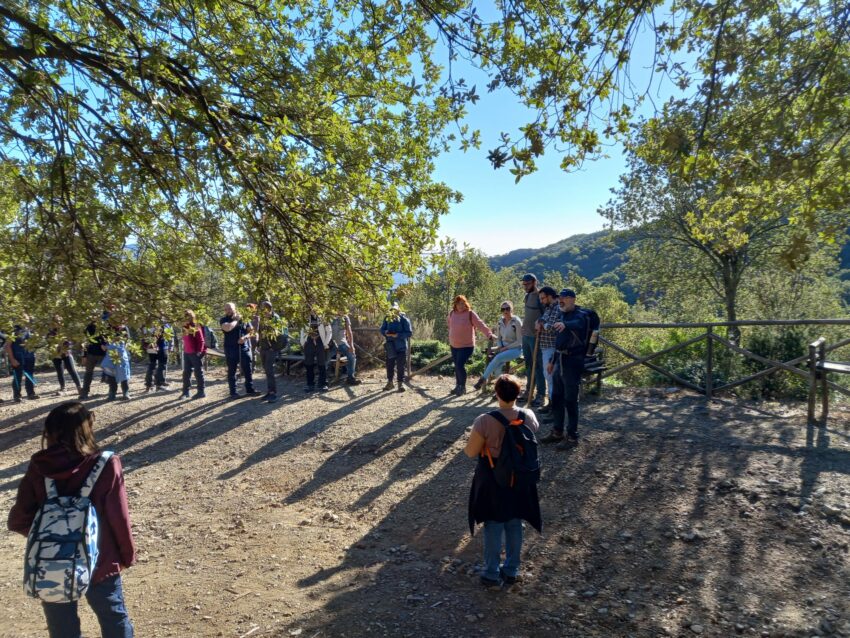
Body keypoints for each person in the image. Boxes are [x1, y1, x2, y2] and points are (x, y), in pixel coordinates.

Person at [8, 401, 136, 637]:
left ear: (49, 432)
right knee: (114, 619)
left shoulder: (39, 465)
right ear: (87, 428)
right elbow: (119, 516)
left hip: (52, 561)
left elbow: (18, 519)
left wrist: (54, 535)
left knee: (62, 627)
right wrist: (127, 555)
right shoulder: (107, 464)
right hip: (101, 559)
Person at [464, 374, 541, 587]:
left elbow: (471, 452)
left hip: (493, 477)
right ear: (518, 393)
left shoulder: (484, 420)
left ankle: (491, 573)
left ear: (496, 393)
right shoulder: (529, 416)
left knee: (494, 523)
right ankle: (511, 569)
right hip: (521, 476)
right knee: (515, 522)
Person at [540, 289, 589, 449]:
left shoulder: (580, 314)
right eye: (560, 298)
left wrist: (565, 324)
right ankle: (557, 432)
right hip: (559, 361)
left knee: (570, 400)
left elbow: (579, 324)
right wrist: (552, 361)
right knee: (557, 397)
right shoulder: (562, 314)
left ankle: (572, 437)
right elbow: (558, 341)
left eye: (564, 298)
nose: (561, 300)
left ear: (573, 299)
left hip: (573, 361)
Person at [447, 295, 494, 396]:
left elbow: (480, 324)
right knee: (457, 366)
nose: (461, 306)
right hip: (454, 345)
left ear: (466, 304)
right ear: (455, 304)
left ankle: (462, 387)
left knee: (460, 365)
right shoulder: (452, 313)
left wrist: (489, 334)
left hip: (466, 346)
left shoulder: (470, 314)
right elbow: (450, 325)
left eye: (463, 303)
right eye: (459, 303)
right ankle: (458, 386)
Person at [473, 301, 523, 390]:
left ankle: (482, 379)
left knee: (497, 358)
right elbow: (499, 338)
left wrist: (506, 348)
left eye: (507, 309)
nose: (505, 311)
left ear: (512, 309)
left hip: (516, 349)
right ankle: (501, 390)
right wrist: (500, 346)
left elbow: (519, 341)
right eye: (503, 309)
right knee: (497, 369)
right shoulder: (500, 322)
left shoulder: (516, 321)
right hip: (503, 348)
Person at [220, 303, 257, 398]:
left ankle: (250, 389)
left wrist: (245, 337)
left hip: (243, 348)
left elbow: (252, 332)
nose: (228, 311)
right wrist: (236, 319)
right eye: (226, 309)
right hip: (230, 349)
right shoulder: (223, 320)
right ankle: (233, 392)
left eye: (230, 308)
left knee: (248, 369)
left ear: (235, 309)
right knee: (232, 371)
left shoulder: (244, 319)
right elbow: (228, 328)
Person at [519, 273, 545, 407]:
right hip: (526, 336)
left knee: (539, 366)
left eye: (527, 284)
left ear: (535, 282)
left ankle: (541, 395)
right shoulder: (527, 296)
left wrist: (541, 323)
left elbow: (546, 314)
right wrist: (524, 325)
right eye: (523, 284)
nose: (525, 286)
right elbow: (528, 314)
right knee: (529, 365)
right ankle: (529, 391)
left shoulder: (541, 296)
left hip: (537, 337)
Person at [536, 286, 560, 412]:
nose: (541, 301)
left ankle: (553, 405)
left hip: (552, 346)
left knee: (550, 376)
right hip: (545, 347)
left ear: (550, 296)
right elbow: (542, 320)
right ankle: (551, 403)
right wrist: (540, 321)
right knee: (548, 375)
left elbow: (550, 327)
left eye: (543, 298)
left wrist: (541, 324)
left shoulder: (556, 308)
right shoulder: (548, 308)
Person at [380, 302, 412, 392]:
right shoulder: (387, 318)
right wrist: (385, 332)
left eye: (395, 310)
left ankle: (400, 384)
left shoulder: (404, 319)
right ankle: (390, 383)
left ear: (398, 310)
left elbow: (409, 333)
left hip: (401, 346)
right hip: (390, 345)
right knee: (389, 365)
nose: (393, 311)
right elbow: (382, 329)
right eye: (392, 310)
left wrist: (398, 335)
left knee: (400, 366)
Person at [48, 316, 82, 397]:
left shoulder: (65, 331)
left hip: (66, 353)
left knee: (72, 370)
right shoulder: (50, 333)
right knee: (60, 372)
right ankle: (63, 387)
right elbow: (50, 344)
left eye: (59, 321)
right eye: (56, 321)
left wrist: (65, 348)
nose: (58, 323)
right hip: (56, 355)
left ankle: (79, 387)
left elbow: (69, 343)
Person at [6, 314, 38, 402]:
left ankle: (31, 393)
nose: (26, 319)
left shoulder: (30, 330)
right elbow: (8, 346)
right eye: (24, 318)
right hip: (18, 358)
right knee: (17, 377)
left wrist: (34, 354)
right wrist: (12, 359)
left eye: (27, 318)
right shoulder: (13, 331)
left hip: (29, 357)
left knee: (30, 375)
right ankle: (17, 396)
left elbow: (33, 344)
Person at [257, 301, 284, 403]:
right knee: (267, 370)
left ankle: (273, 393)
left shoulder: (276, 319)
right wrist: (259, 345)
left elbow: (281, 335)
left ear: (270, 308)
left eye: (265, 308)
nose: (263, 310)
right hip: (263, 348)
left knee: (270, 370)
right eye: (262, 308)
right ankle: (269, 391)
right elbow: (260, 332)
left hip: (271, 349)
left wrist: (275, 347)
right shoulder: (263, 319)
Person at [327, 314, 361, 385]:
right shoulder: (328, 316)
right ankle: (324, 380)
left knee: (352, 356)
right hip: (330, 343)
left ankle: (350, 377)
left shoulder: (345, 317)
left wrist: (351, 346)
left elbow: (349, 332)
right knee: (325, 360)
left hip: (342, 343)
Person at [80, 312, 108, 400]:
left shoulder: (104, 327)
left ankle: (112, 392)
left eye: (96, 315)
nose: (94, 317)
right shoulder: (87, 328)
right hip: (91, 354)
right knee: (88, 373)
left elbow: (108, 338)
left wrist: (105, 344)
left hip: (103, 354)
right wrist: (84, 356)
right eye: (93, 315)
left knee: (109, 372)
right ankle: (84, 393)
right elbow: (84, 343)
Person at [101, 322, 132, 401]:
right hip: (110, 354)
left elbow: (127, 340)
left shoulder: (124, 327)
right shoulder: (108, 327)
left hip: (121, 354)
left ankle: (125, 392)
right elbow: (103, 342)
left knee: (123, 373)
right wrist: (104, 345)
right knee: (111, 375)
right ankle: (112, 393)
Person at [301, 313, 331, 392]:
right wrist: (302, 342)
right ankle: (310, 384)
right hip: (309, 341)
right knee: (308, 364)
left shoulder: (323, 317)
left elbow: (329, 331)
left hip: (320, 341)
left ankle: (322, 384)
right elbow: (302, 330)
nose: (313, 309)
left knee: (322, 363)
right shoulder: (306, 317)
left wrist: (325, 343)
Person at [180, 310, 206, 399]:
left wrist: (199, 352)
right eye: (185, 316)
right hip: (187, 352)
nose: (186, 318)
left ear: (192, 317)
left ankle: (201, 391)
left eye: (188, 316)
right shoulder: (184, 327)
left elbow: (201, 340)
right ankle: (186, 392)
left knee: (198, 372)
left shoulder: (196, 326)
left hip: (195, 353)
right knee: (186, 373)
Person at [142, 321, 172, 392]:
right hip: (160, 347)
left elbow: (144, 335)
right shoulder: (162, 323)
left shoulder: (147, 323)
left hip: (152, 347)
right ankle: (158, 385)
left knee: (152, 365)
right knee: (160, 365)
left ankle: (149, 385)